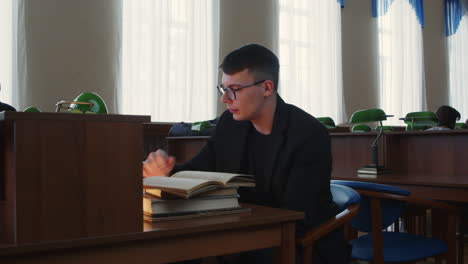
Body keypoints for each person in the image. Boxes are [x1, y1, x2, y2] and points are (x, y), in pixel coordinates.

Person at [143, 44, 348, 263]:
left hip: (299, 244)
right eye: (223, 89)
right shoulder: (229, 125)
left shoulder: (308, 135)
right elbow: (197, 170)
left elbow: (298, 217)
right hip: (245, 232)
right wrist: (166, 170)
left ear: (267, 88)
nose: (225, 99)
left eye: (234, 89)